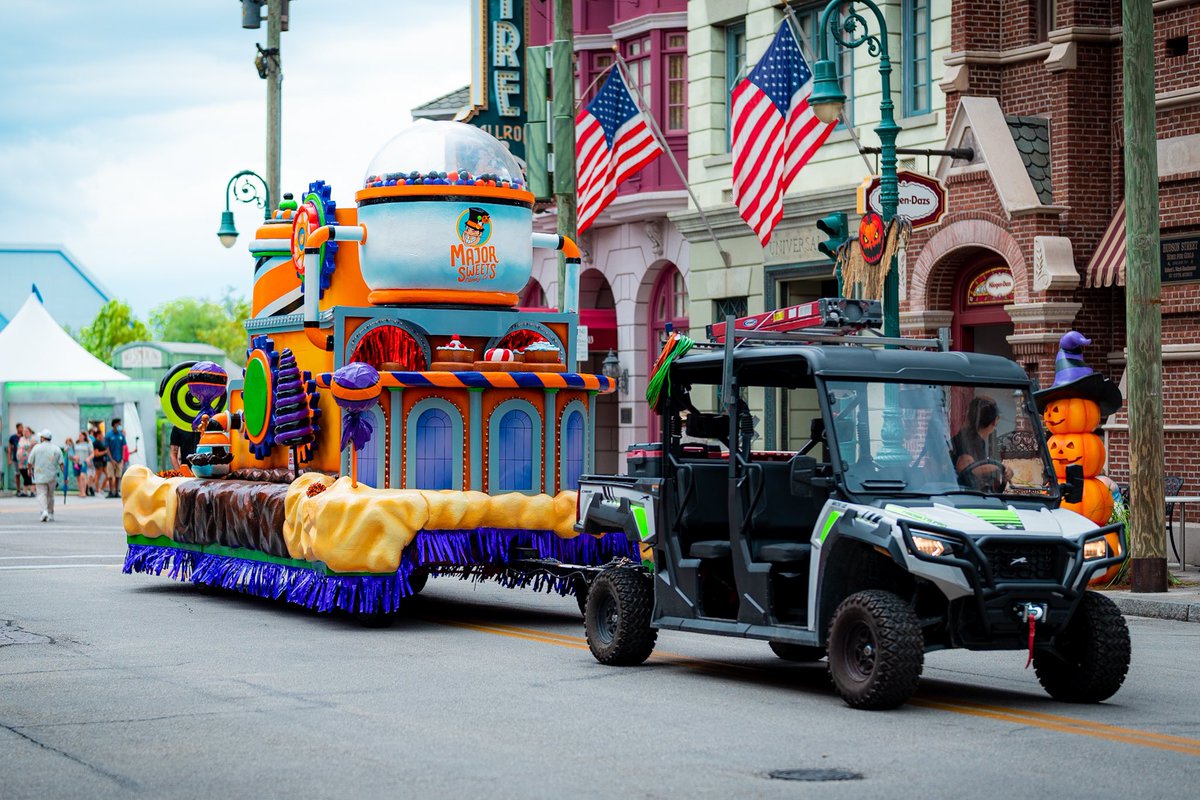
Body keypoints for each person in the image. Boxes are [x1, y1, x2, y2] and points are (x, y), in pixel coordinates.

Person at [951, 395, 1011, 491]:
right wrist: (997, 468)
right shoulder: (968, 441)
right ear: (995, 421)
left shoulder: (971, 438)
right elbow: (965, 469)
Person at [28, 430, 63, 522]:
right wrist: (65, 475)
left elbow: (29, 461)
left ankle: (44, 511)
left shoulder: (36, 447)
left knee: (41, 494)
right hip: (52, 476)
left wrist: (29, 471)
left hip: (39, 475)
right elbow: (61, 463)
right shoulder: (56, 448)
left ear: (43, 438)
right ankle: (51, 513)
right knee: (50, 495)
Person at [104, 418, 127, 498]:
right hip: (110, 460)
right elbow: (107, 448)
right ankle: (110, 491)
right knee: (110, 475)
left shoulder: (121, 435)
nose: (120, 426)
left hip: (119, 459)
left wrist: (122, 458)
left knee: (118, 476)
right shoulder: (108, 435)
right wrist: (111, 459)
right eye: (119, 424)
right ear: (114, 425)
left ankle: (116, 491)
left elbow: (123, 447)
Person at [16, 426, 36, 499]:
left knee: (30, 475)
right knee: (25, 476)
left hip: (30, 461)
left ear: (30, 432)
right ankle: (25, 492)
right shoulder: (21, 439)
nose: (25, 432)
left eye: (26, 431)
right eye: (24, 431)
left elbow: (32, 448)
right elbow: (20, 447)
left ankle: (32, 491)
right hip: (21, 461)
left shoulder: (33, 439)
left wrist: (27, 447)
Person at [9, 423, 28, 496]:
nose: (22, 429)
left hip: (24, 460)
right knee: (17, 474)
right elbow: (10, 448)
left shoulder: (24, 437)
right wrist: (9, 459)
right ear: (17, 428)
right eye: (20, 427)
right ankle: (18, 490)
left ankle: (25, 490)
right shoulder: (13, 437)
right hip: (16, 459)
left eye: (22, 427)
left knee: (25, 475)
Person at [91, 427, 109, 496]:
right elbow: (96, 454)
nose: (102, 435)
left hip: (103, 461)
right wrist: (105, 452)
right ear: (98, 435)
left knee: (108, 475)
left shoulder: (101, 442)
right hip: (98, 461)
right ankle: (97, 490)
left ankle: (101, 489)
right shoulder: (95, 443)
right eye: (101, 434)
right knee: (97, 476)